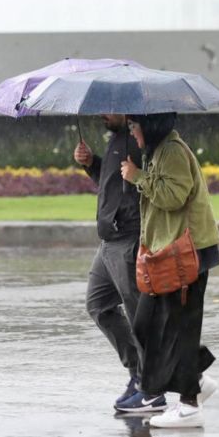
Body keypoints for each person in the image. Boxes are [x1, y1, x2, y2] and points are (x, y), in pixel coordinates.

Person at [120, 112, 219, 428]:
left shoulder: (173, 151)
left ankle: (189, 404)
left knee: (181, 327)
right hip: (169, 252)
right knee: (148, 325)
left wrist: (137, 176)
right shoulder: (158, 150)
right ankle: (197, 377)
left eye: (134, 127)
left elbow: (173, 196)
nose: (133, 134)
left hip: (187, 253)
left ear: (148, 126)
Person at [73, 115, 158, 411]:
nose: (102, 114)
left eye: (109, 108)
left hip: (128, 238)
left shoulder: (138, 139)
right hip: (108, 240)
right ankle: (138, 373)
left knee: (138, 314)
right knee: (98, 305)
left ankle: (152, 388)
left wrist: (136, 176)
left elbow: (148, 186)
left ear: (125, 109)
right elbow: (109, 184)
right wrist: (90, 163)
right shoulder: (116, 138)